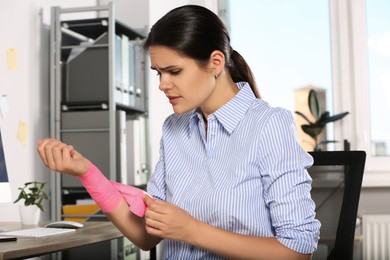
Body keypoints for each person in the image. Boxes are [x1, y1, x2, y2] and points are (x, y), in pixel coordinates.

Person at [37, 5, 320, 260]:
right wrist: (86, 172)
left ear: (215, 63)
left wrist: (192, 230)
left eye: (174, 71)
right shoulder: (175, 129)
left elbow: (296, 252)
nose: (163, 84)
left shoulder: (268, 125)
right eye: (159, 73)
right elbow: (146, 236)